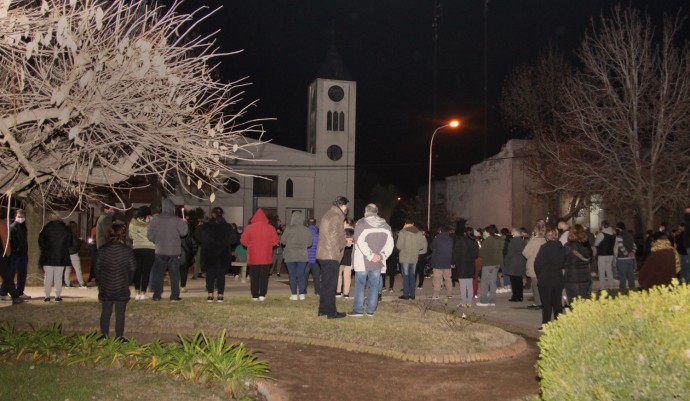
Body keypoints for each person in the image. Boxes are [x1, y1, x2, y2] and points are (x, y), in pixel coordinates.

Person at [348, 203, 394, 317]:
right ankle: (371, 310)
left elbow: (359, 241)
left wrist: (370, 255)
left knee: (360, 284)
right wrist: (382, 256)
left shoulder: (361, 224)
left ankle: (358, 310)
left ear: (366, 211)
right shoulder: (386, 226)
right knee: (374, 285)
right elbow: (390, 244)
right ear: (376, 212)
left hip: (363, 261)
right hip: (377, 262)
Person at [97, 222, 136, 338]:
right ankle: (119, 336)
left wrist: (102, 281)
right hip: (121, 285)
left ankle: (104, 334)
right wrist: (127, 281)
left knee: (105, 311)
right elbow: (133, 268)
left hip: (106, 285)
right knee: (120, 313)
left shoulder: (102, 250)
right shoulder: (127, 250)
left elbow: (97, 269)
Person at [147, 198, 188, 302]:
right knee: (174, 274)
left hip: (160, 250)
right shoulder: (177, 219)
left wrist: (157, 241)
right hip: (174, 251)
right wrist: (184, 223)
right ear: (172, 208)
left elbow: (150, 235)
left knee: (158, 274)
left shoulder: (155, 219)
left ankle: (157, 295)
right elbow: (183, 233)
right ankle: (174, 296)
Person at [316, 196, 350, 319]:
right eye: (346, 206)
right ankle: (331, 312)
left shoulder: (328, 214)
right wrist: (346, 243)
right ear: (342, 205)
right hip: (330, 255)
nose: (347, 209)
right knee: (331, 286)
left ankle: (323, 309)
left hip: (323, 253)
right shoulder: (336, 217)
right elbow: (335, 238)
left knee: (326, 284)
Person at [197, 207, 238, 302]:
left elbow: (199, 238)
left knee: (210, 275)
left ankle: (210, 295)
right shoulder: (227, 226)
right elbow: (233, 240)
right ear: (222, 214)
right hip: (222, 254)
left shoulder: (206, 226)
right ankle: (220, 295)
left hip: (209, 253)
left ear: (212, 214)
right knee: (221, 275)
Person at [240, 208, 280, 301]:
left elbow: (243, 241)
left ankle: (254, 295)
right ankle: (262, 294)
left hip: (253, 256)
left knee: (254, 276)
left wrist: (249, 245)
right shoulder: (270, 228)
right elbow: (276, 241)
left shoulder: (249, 227)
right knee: (264, 276)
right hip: (266, 256)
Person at [534, 227, 566, 332]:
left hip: (545, 278)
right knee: (557, 303)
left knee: (546, 303)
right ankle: (559, 324)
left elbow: (537, 264)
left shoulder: (544, 248)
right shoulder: (561, 248)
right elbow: (564, 262)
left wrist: (540, 275)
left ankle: (546, 324)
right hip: (557, 277)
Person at [38, 219, 75, 302]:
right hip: (61, 257)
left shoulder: (46, 228)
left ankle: (47, 296)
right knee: (58, 277)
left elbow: (40, 241)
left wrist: (45, 249)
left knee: (48, 277)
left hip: (48, 257)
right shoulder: (66, 229)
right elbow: (70, 243)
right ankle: (57, 296)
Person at [280, 210, 313, 300]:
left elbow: (282, 241)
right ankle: (302, 294)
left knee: (292, 275)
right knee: (301, 274)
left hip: (290, 255)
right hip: (302, 255)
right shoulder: (307, 230)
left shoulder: (289, 229)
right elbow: (310, 244)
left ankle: (294, 294)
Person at [128, 206, 155, 300]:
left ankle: (137, 293)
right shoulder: (152, 222)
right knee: (146, 271)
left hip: (137, 248)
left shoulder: (133, 221)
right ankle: (143, 293)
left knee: (138, 271)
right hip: (150, 248)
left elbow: (130, 235)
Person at [1, 209, 30, 299]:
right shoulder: (12, 227)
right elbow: (9, 241)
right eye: (19, 216)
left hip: (23, 254)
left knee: (22, 274)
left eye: (22, 216)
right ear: (15, 216)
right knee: (10, 274)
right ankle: (3, 292)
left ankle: (20, 291)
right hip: (15, 255)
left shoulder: (23, 227)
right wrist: (12, 251)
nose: (20, 218)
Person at [397, 220, 427, 300]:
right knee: (412, 276)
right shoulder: (418, 233)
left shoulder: (402, 232)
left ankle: (406, 294)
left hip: (404, 257)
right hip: (414, 257)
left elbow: (399, 246)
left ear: (405, 224)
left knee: (406, 276)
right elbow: (421, 246)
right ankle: (412, 294)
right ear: (413, 224)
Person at [563, 224, 593, 303]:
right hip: (585, 276)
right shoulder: (587, 245)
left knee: (573, 303)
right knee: (582, 302)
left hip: (572, 277)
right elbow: (590, 258)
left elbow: (562, 260)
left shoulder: (568, 246)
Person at [477, 224, 504, 306]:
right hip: (496, 263)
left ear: (488, 232)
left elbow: (481, 252)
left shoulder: (489, 240)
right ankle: (492, 300)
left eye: (485, 232)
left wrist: (480, 250)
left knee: (484, 282)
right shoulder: (499, 239)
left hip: (488, 263)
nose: (484, 233)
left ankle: (483, 300)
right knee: (492, 282)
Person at [452, 226, 479, 307]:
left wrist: (453, 262)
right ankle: (469, 302)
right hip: (470, 265)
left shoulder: (460, 241)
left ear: (464, 232)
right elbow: (476, 255)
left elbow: (455, 253)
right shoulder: (474, 242)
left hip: (461, 266)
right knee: (470, 285)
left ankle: (463, 302)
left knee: (463, 286)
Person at [522, 221, 547, 310]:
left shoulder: (534, 241)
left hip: (533, 265)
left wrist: (531, 239)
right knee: (540, 285)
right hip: (542, 266)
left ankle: (538, 303)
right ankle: (541, 301)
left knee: (535, 286)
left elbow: (525, 253)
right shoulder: (544, 240)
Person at [0, 213, 22, 305]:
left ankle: (14, 296)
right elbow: (5, 238)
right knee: (7, 275)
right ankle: (15, 297)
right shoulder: (0, 223)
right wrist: (7, 252)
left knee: (6, 275)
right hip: (1, 254)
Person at [429, 225, 454, 300]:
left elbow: (431, 247)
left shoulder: (437, 239)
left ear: (440, 231)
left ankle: (436, 294)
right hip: (448, 262)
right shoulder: (451, 239)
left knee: (437, 279)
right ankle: (449, 294)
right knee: (448, 278)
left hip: (438, 262)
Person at [503, 227, 527, 302]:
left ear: (515, 233)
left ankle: (515, 296)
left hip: (513, 262)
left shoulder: (513, 241)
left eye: (512, 232)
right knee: (519, 280)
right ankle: (520, 296)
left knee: (514, 280)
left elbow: (510, 253)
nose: (511, 233)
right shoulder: (523, 241)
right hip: (521, 261)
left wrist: (506, 260)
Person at [614, 222, 637, 290]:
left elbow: (621, 247)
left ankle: (623, 289)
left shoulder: (619, 236)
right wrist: (632, 252)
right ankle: (632, 288)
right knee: (631, 275)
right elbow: (634, 246)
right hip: (630, 259)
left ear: (619, 228)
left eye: (616, 228)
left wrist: (626, 253)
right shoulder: (630, 235)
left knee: (622, 275)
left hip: (622, 259)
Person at [594, 221, 616, 290]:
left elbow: (596, 244)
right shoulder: (613, 233)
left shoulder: (601, 234)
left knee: (601, 272)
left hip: (602, 254)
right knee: (609, 271)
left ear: (603, 226)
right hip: (610, 254)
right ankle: (611, 286)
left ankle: (601, 287)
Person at [64, 221, 87, 288]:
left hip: (66, 253)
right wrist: (80, 240)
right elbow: (76, 243)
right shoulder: (72, 234)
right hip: (73, 253)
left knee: (68, 268)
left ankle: (67, 283)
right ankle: (81, 283)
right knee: (78, 268)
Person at [336, 220, 355, 298]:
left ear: (346, 223)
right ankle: (346, 294)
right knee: (347, 276)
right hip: (350, 256)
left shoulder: (341, 232)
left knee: (339, 275)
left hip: (341, 255)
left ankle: (338, 292)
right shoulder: (354, 233)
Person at [305, 218, 321, 295]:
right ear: (315, 223)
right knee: (316, 277)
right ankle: (317, 291)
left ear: (307, 223)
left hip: (306, 257)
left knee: (304, 276)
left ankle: (303, 291)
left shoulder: (304, 231)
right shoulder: (319, 231)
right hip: (316, 258)